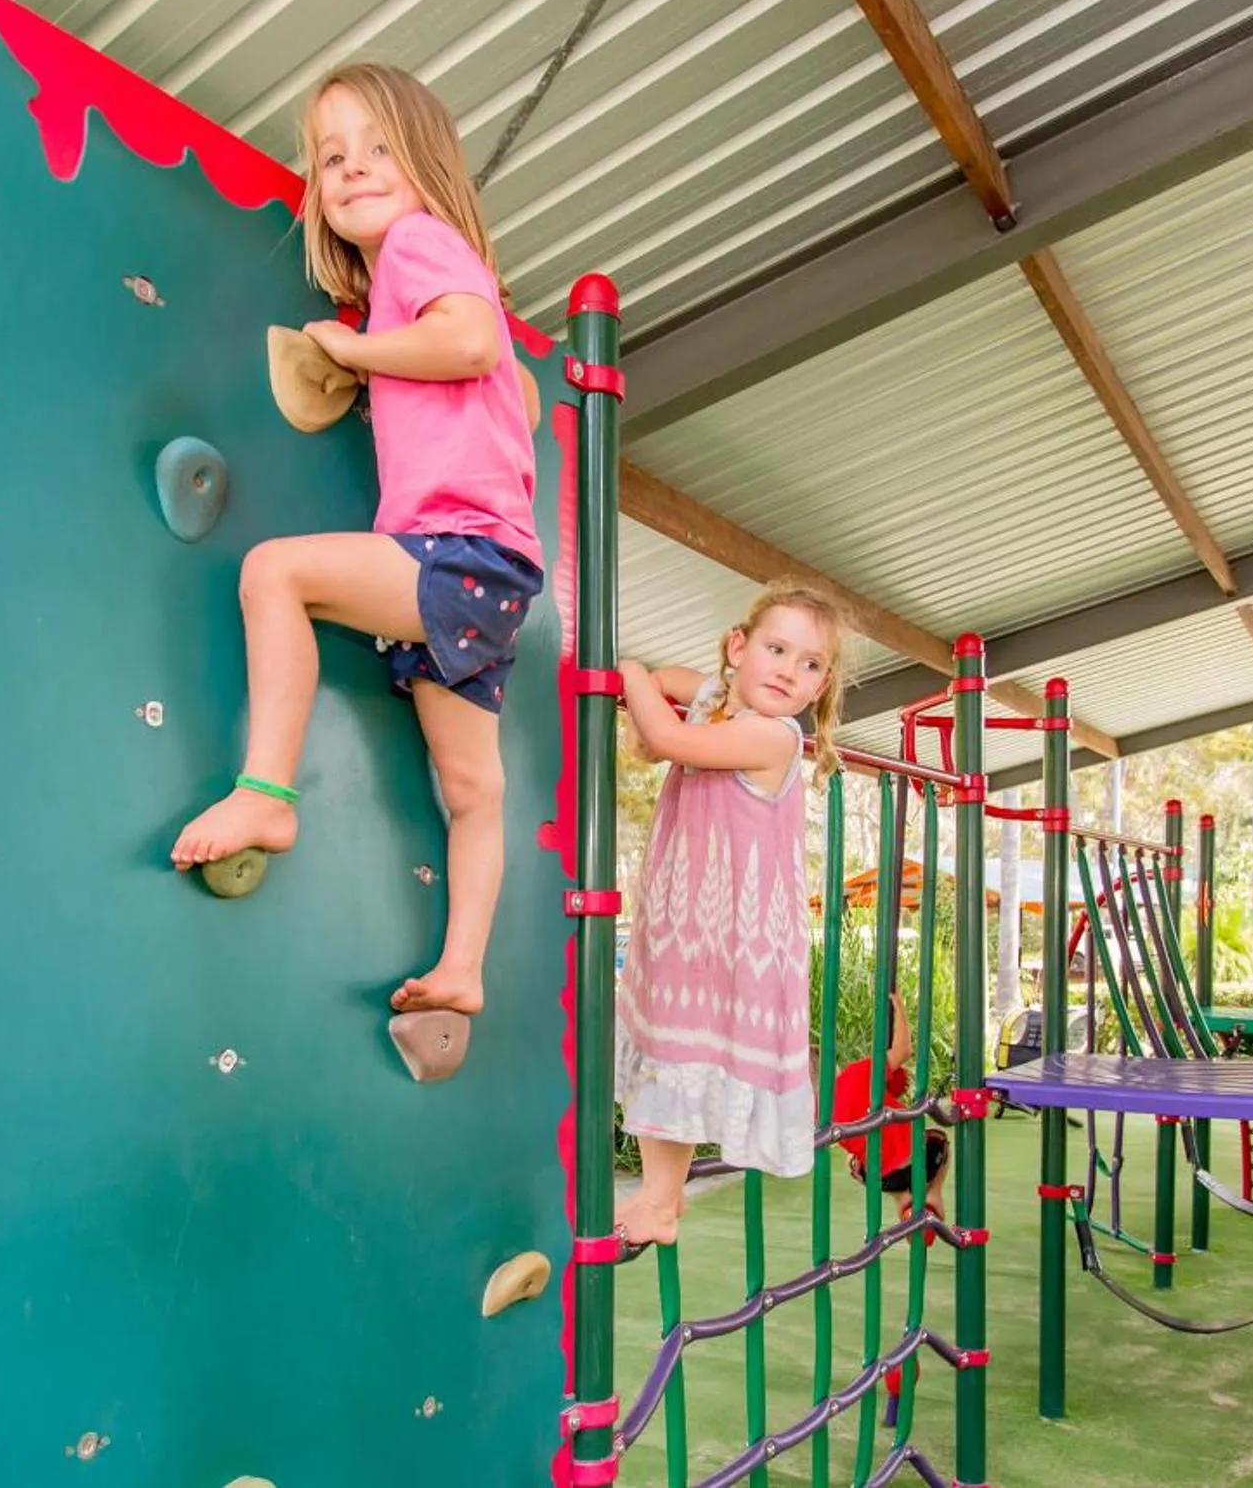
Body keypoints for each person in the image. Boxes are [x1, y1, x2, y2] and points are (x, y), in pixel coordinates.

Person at [170, 63, 541, 1022]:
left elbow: (469, 346)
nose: (352, 170)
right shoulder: (419, 279)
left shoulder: (421, 246)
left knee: (274, 570)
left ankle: (266, 792)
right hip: (492, 572)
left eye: (378, 148)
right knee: (473, 791)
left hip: (459, 551)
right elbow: (519, 390)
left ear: (426, 164)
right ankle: (464, 965)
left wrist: (353, 352)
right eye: (331, 158)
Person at [609, 584, 845, 1256]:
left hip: (738, 938)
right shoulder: (724, 703)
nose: (788, 671)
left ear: (820, 684)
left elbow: (664, 729)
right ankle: (664, 1191)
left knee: (681, 1054)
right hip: (689, 921)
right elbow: (675, 691)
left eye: (809, 664)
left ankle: (658, 1200)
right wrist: (663, 696)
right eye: (776, 649)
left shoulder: (773, 736)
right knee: (668, 1053)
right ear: (740, 646)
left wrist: (628, 678)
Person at [830, 990, 949, 1226]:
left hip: (881, 1178)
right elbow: (903, 1050)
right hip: (918, 1162)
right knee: (940, 1139)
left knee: (853, 1162)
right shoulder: (856, 1074)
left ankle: (902, 1200)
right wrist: (900, 1008)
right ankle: (934, 1192)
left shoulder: (821, 1114)